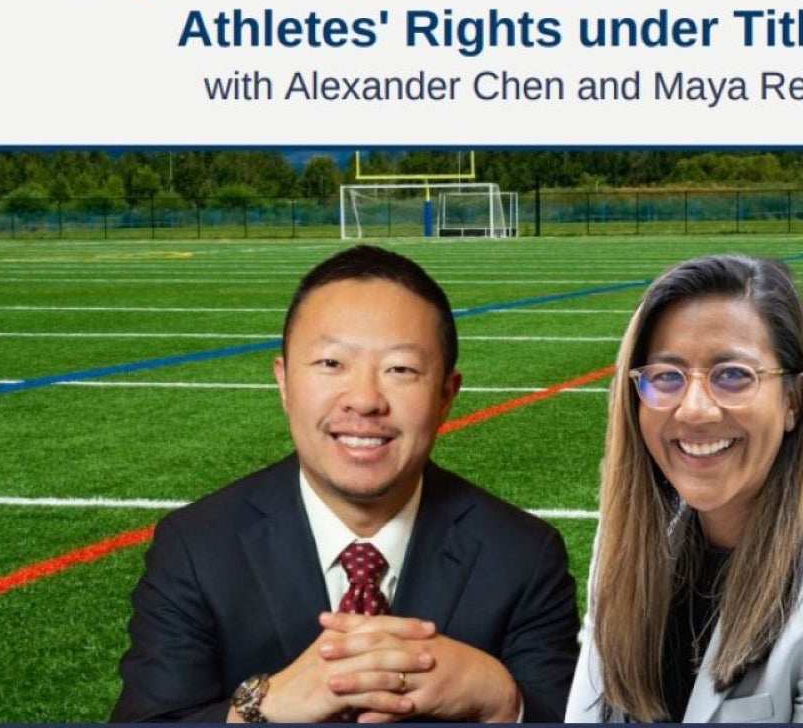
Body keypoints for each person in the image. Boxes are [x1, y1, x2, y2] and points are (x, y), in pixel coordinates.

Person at [112, 244, 580, 723]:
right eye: (331, 363)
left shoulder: (523, 555)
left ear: (446, 395)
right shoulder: (196, 548)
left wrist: (505, 700)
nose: (364, 399)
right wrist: (259, 708)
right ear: (284, 383)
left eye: (400, 369)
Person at [566, 254, 803, 723]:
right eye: (666, 377)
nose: (694, 410)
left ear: (793, 402)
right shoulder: (628, 543)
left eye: (734, 375)